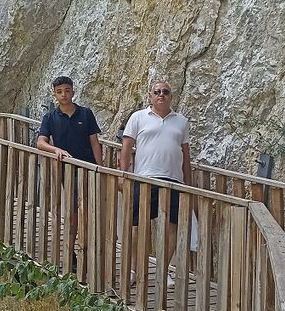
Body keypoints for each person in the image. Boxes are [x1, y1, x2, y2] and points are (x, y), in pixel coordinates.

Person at [119, 81, 192, 287]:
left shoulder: (181, 121)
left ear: (171, 96)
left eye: (165, 92)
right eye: (157, 92)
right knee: (136, 225)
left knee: (172, 226)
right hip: (144, 178)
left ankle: (163, 268)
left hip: (173, 180)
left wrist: (189, 184)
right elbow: (126, 148)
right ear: (150, 96)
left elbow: (186, 155)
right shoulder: (138, 117)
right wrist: (123, 175)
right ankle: (135, 269)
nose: (161, 95)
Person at [36, 76, 103, 272]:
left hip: (89, 168)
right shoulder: (50, 117)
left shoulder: (86, 114)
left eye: (67, 90)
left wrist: (100, 168)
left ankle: (91, 251)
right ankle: (71, 251)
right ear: (55, 94)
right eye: (59, 92)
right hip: (69, 170)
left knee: (91, 211)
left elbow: (94, 142)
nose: (64, 95)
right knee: (73, 212)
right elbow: (41, 142)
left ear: (73, 91)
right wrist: (55, 150)